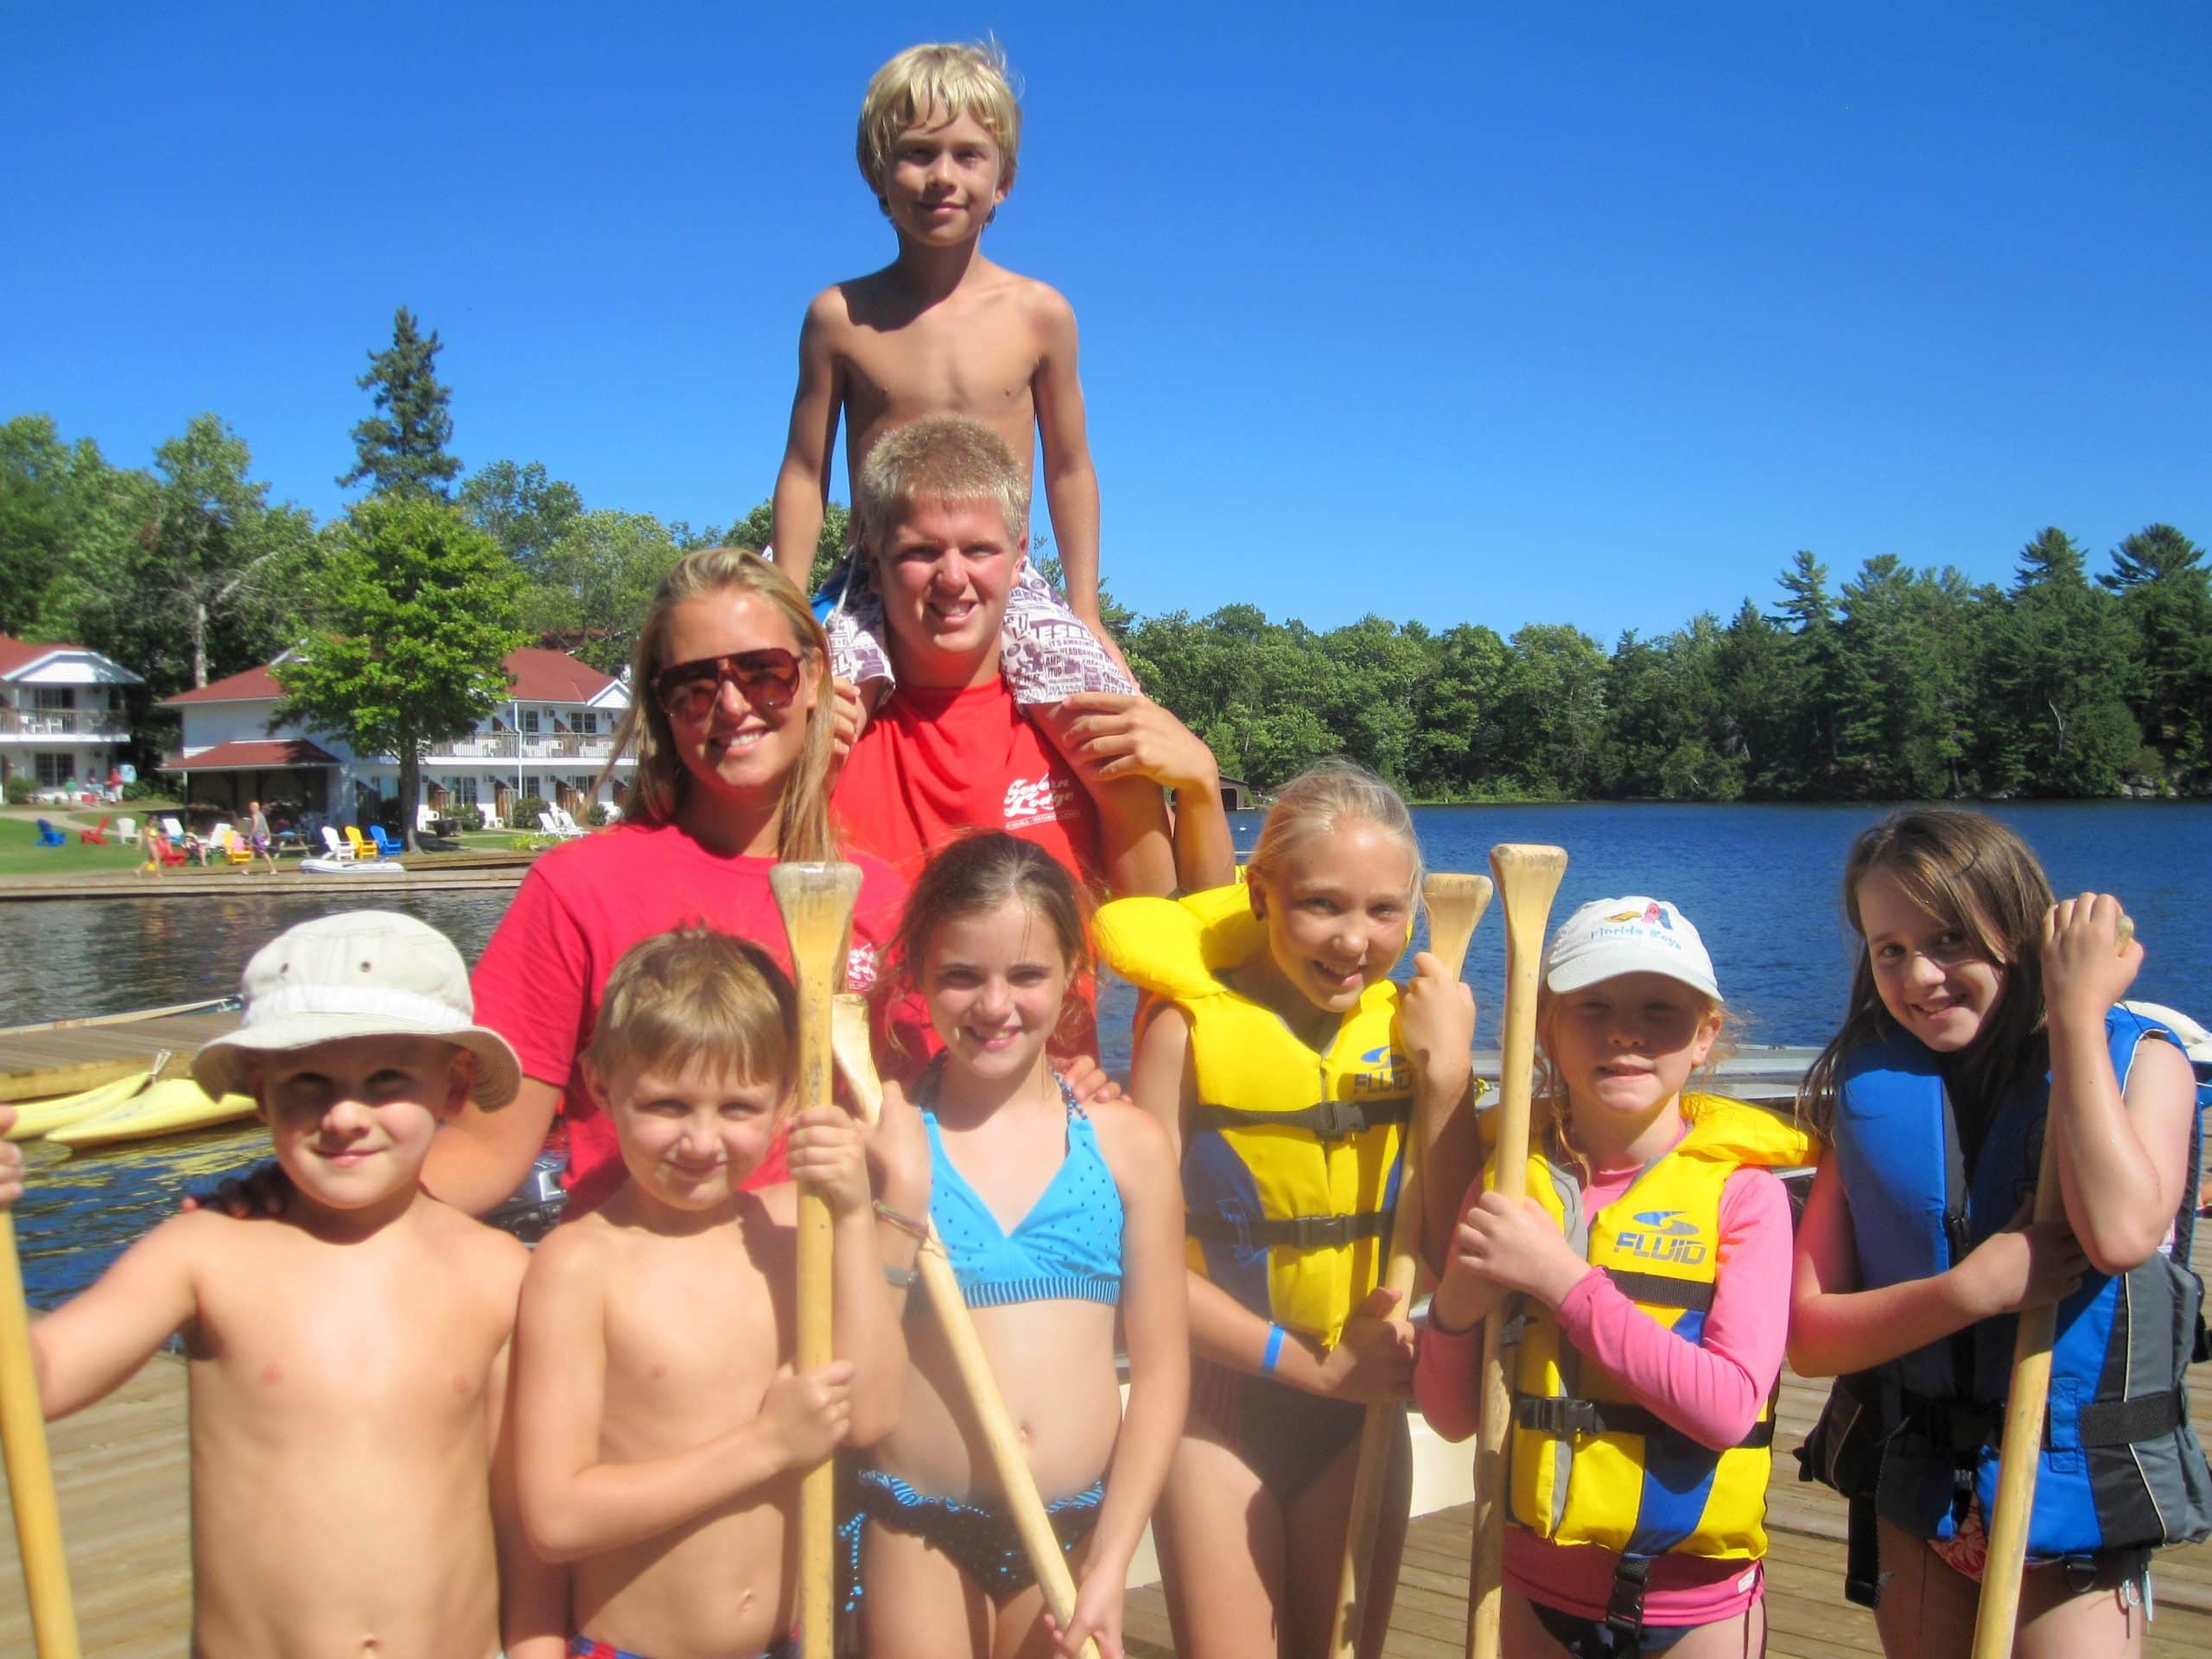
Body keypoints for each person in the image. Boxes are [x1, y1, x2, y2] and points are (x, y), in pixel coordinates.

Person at [0, 912, 564, 1658]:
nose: (345, 1115)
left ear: (454, 1088)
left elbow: (520, 1515)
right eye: (308, 1082)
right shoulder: (205, 1252)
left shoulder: (499, 1274)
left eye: (386, 1078)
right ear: (261, 1095)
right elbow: (34, 1378)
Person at [1789, 810, 2210, 1659]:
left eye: (1950, 939)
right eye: (1890, 949)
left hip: (2074, 1512)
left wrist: (2077, 1016)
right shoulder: (1871, 1089)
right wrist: (1967, 1291)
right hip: (1919, 1498)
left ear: (2021, 934)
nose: (1921, 977)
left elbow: (2124, 1232)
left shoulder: (2143, 1061)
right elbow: (1809, 1336)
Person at [1097, 761, 1476, 1659]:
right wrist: (1308, 1369)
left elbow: (1461, 1238)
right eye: (1322, 906)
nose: (1353, 941)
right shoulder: (1181, 1034)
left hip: (1364, 1415)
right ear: (1260, 892)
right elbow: (1139, 1269)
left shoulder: (1418, 1035)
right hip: (1220, 1411)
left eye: (1384, 911)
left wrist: (1450, 1082)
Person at [429, 545, 922, 1219]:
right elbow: (484, 1151)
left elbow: (936, 1116)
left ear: (813, 679)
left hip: (819, 1302)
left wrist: (1075, 1095)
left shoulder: (879, 898)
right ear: (662, 707)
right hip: (632, 1303)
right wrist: (310, 1212)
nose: (730, 704)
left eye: (764, 673)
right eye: (692, 686)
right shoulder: (578, 889)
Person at [1414, 896, 1811, 1659]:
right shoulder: (1509, 1187)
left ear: (1706, 1036)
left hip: (1696, 1604)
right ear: (1547, 1029)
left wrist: (1565, 1284)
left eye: (1658, 1008)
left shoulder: (1746, 1198)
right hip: (1533, 1584)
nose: (1624, 1031)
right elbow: (1453, 1417)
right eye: (1592, 1006)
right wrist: (1457, 1311)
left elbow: (1728, 1408)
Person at [513, 925, 921, 1659]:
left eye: (737, 1109)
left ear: (786, 1099)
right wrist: (765, 1446)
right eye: (668, 1105)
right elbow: (556, 1516)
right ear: (602, 1088)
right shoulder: (580, 1264)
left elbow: (872, 1416)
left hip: (793, 1639)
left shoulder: (797, 1229)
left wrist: (858, 1212)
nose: (702, 1142)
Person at [851, 832, 1186, 1659]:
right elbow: (855, 1371)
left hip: (1076, 1535)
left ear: (1074, 975)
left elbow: (1165, 1370)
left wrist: (1113, 1560)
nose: (994, 1006)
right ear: (917, 980)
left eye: (1027, 976)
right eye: (961, 976)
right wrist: (895, 1200)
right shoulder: (886, 1141)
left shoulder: (1128, 1145)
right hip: (919, 1528)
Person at [773, 39, 1135, 727]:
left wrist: (1084, 611)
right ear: (877, 173)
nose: (943, 176)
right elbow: (804, 470)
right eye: (917, 153)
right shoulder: (840, 317)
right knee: (808, 709)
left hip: (1006, 579)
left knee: (1109, 710)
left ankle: (1159, 831)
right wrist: (787, 606)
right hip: (876, 577)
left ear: (1003, 180)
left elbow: (1068, 467)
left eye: (968, 155)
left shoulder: (1040, 315)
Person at [831, 415, 1233, 909]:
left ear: (1020, 555)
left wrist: (1201, 789)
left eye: (979, 549)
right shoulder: (830, 734)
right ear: (874, 561)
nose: (953, 577)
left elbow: (1180, 939)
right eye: (922, 551)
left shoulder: (1086, 734)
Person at [244, 797, 279, 873]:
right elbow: (266, 826)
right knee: (253, 853)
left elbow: (255, 825)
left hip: (257, 837)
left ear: (254, 807)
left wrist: (251, 836)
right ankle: (246, 870)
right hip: (262, 836)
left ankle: (273, 869)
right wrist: (268, 836)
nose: (250, 808)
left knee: (263, 853)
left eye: (251, 807)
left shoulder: (254, 815)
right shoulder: (262, 815)